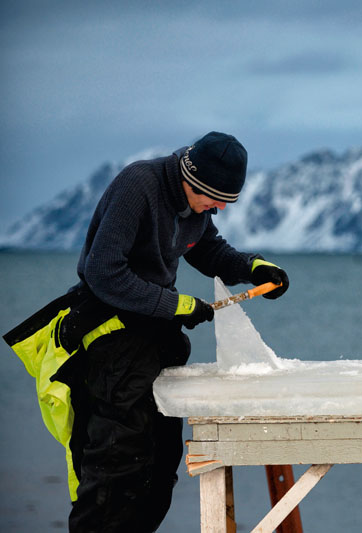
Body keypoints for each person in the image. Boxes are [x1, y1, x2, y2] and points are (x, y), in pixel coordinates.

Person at [4, 131, 289, 532]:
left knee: (159, 466)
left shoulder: (196, 203)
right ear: (192, 180)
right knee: (116, 467)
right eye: (215, 199)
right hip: (110, 340)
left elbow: (207, 249)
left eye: (226, 202)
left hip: (155, 339)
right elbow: (104, 272)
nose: (219, 209)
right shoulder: (138, 186)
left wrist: (253, 267)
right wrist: (176, 305)